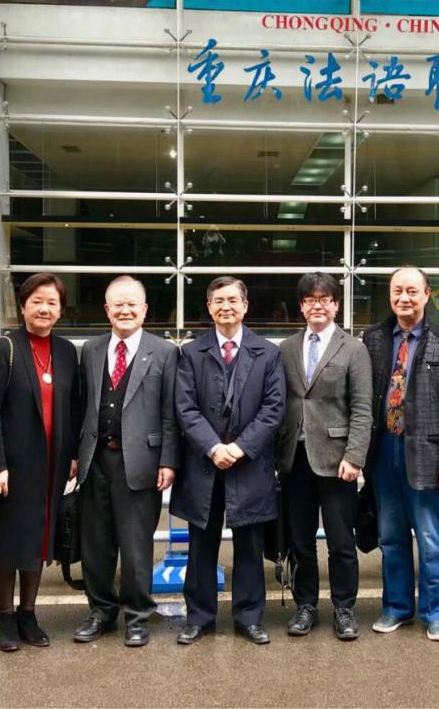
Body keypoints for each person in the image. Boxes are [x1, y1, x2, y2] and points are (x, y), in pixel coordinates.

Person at [170, 276, 286, 645]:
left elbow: (273, 408)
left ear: (245, 306)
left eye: (233, 300)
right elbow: (185, 407)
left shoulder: (267, 353)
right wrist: (213, 447)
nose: (226, 307)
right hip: (204, 465)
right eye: (218, 300)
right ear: (209, 307)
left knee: (249, 546)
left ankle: (249, 618)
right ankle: (199, 618)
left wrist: (239, 448)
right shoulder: (191, 353)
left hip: (249, 465)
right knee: (200, 547)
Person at [361, 267, 439, 642]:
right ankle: (397, 607)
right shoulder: (373, 339)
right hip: (384, 452)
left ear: (426, 294)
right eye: (397, 291)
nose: (404, 298)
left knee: (430, 539)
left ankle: (437, 611)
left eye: (412, 291)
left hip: (429, 455)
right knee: (390, 538)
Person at [73, 276, 180, 648]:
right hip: (95, 459)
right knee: (96, 544)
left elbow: (171, 413)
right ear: (107, 310)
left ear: (145, 309)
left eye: (132, 304)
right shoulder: (91, 349)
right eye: (117, 304)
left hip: (141, 461)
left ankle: (137, 616)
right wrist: (74, 455)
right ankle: (101, 612)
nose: (125, 310)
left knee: (135, 548)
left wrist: (169, 460)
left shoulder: (164, 352)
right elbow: (80, 406)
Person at [0, 272, 81, 652]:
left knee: (40, 538)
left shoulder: (67, 352)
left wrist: (72, 455)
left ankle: (28, 614)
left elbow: (74, 406)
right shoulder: (3, 348)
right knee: (9, 540)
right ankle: (5, 616)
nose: (44, 308)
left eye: (52, 302)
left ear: (60, 310)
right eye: (36, 301)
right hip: (12, 467)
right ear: (22, 306)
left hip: (52, 466)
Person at [278, 272, 372, 640]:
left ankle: (344, 608)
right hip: (294, 459)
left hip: (337, 460)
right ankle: (306, 606)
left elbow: (362, 408)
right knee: (300, 540)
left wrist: (355, 456)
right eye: (310, 299)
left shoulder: (353, 348)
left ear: (336, 305)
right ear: (301, 306)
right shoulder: (286, 348)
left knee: (341, 541)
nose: (317, 305)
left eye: (325, 299)